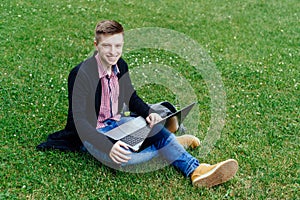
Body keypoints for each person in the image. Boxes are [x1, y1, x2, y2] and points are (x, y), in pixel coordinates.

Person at [41, 20, 238, 188]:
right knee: (128, 160)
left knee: (156, 128)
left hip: (116, 124)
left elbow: (131, 97)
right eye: (107, 46)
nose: (113, 52)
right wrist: (108, 146)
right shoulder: (81, 74)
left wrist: (148, 113)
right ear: (96, 45)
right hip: (91, 134)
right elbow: (80, 124)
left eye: (118, 46)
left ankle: (196, 170)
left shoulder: (121, 65)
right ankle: (172, 144)